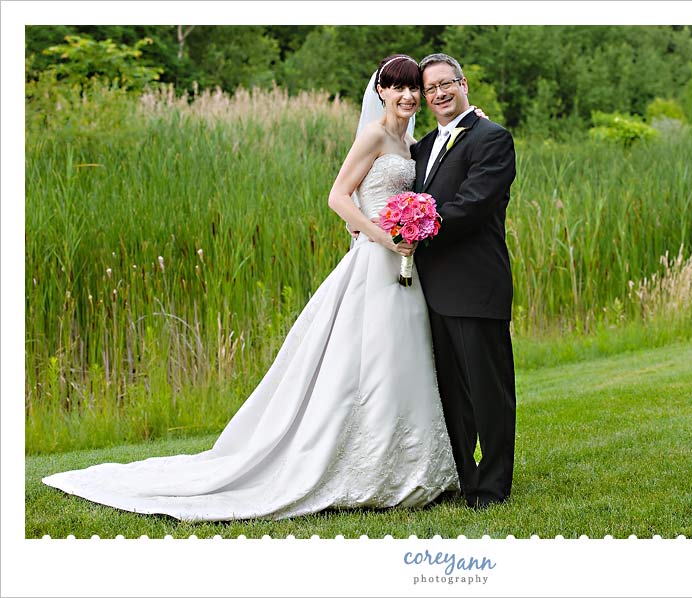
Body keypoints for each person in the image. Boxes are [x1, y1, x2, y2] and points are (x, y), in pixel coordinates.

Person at [41, 54, 460, 521]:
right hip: (375, 259)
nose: (407, 96)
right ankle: (363, 465)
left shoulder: (410, 142)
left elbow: (442, 152)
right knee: (371, 360)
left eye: (413, 89)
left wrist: (469, 120)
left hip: (403, 264)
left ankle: (407, 462)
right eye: (396, 87)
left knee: (402, 357)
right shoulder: (374, 136)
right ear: (380, 91)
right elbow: (338, 197)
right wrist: (383, 236)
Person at [411, 54, 517, 510]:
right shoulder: (422, 146)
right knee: (451, 394)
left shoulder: (492, 138)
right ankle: (463, 477)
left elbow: (474, 204)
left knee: (487, 392)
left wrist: (413, 228)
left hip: (476, 286)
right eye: (430, 88)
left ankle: (492, 487)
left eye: (446, 83)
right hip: (428, 288)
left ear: (463, 83)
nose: (439, 93)